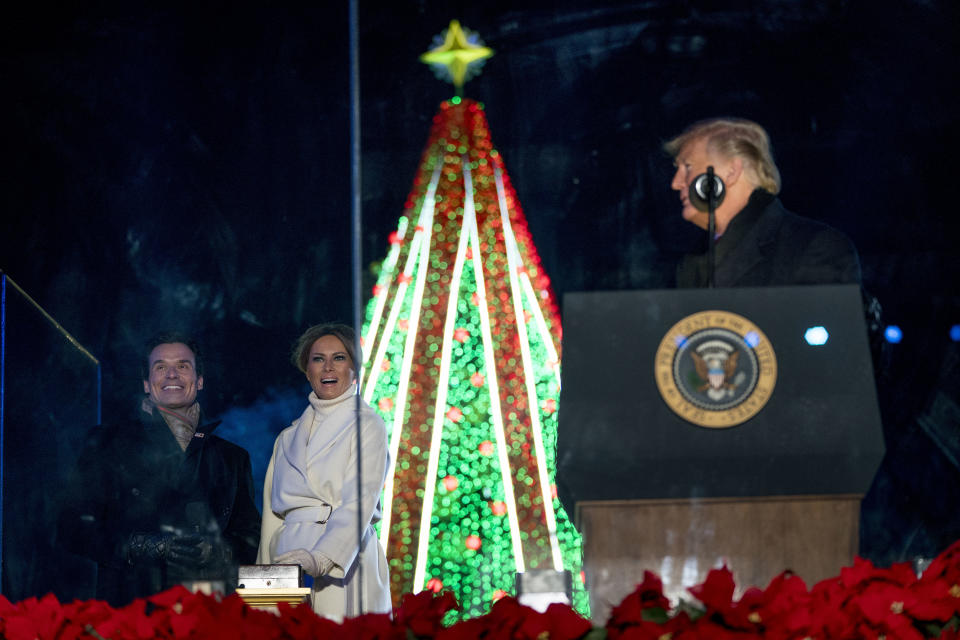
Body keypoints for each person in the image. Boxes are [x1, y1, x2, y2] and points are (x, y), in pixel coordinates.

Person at [57, 332, 261, 606]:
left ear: (199, 381)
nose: (172, 375)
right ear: (146, 383)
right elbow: (71, 528)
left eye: (183, 366)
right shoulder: (107, 444)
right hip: (132, 611)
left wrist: (217, 550)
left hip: (207, 612)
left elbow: (251, 538)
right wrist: (141, 546)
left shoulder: (231, 458)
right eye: (161, 367)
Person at [258, 323, 391, 620]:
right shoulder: (287, 438)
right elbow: (272, 520)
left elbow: (361, 501)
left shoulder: (368, 425)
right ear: (307, 371)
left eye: (339, 358)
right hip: (288, 561)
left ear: (354, 369)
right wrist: (265, 595)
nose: (328, 366)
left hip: (344, 559)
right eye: (318, 359)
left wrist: (323, 557)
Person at [665, 117, 861, 288]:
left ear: (731, 171)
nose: (675, 183)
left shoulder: (814, 246)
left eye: (687, 167)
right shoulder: (691, 264)